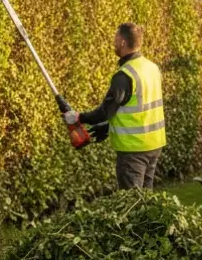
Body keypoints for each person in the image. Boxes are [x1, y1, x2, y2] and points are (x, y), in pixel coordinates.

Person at [63, 23, 166, 189]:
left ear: (123, 42)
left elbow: (106, 110)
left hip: (133, 150)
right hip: (154, 145)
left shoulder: (124, 75)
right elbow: (139, 107)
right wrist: (108, 127)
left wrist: (79, 117)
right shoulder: (152, 68)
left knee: (132, 203)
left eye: (116, 39)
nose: (113, 43)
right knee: (147, 201)